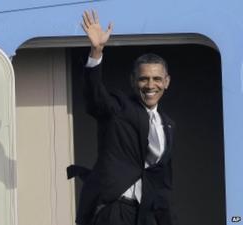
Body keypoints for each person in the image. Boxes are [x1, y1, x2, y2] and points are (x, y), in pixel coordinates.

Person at [72, 10, 176, 225]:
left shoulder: (168, 124)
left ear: (166, 82)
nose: (150, 85)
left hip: (146, 213)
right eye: (143, 79)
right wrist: (96, 52)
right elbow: (95, 98)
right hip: (115, 210)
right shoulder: (120, 107)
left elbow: (161, 179)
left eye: (157, 79)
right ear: (133, 81)